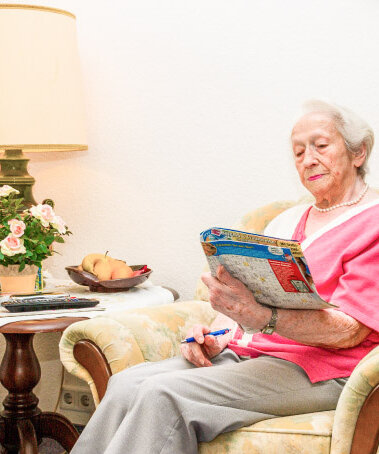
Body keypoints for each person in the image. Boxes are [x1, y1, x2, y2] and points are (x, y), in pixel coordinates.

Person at [71, 100, 379, 454]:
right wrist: (218, 333)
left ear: (358, 153)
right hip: (254, 353)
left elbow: (350, 330)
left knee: (163, 396)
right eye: (298, 152)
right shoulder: (285, 222)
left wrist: (263, 319)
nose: (308, 159)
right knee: (126, 385)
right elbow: (244, 296)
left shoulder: (372, 222)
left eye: (321, 146)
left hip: (326, 368)